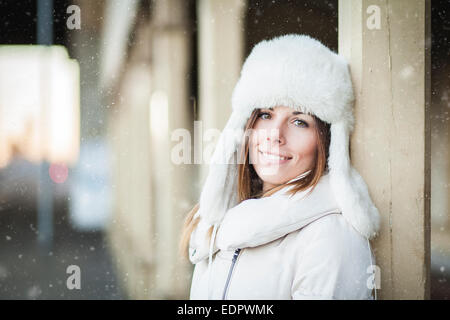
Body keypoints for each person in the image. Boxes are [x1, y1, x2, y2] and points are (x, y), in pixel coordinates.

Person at [179, 34, 381, 300]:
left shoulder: (330, 238)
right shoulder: (219, 223)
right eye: (265, 115)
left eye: (299, 122)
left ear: (327, 143)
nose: (275, 134)